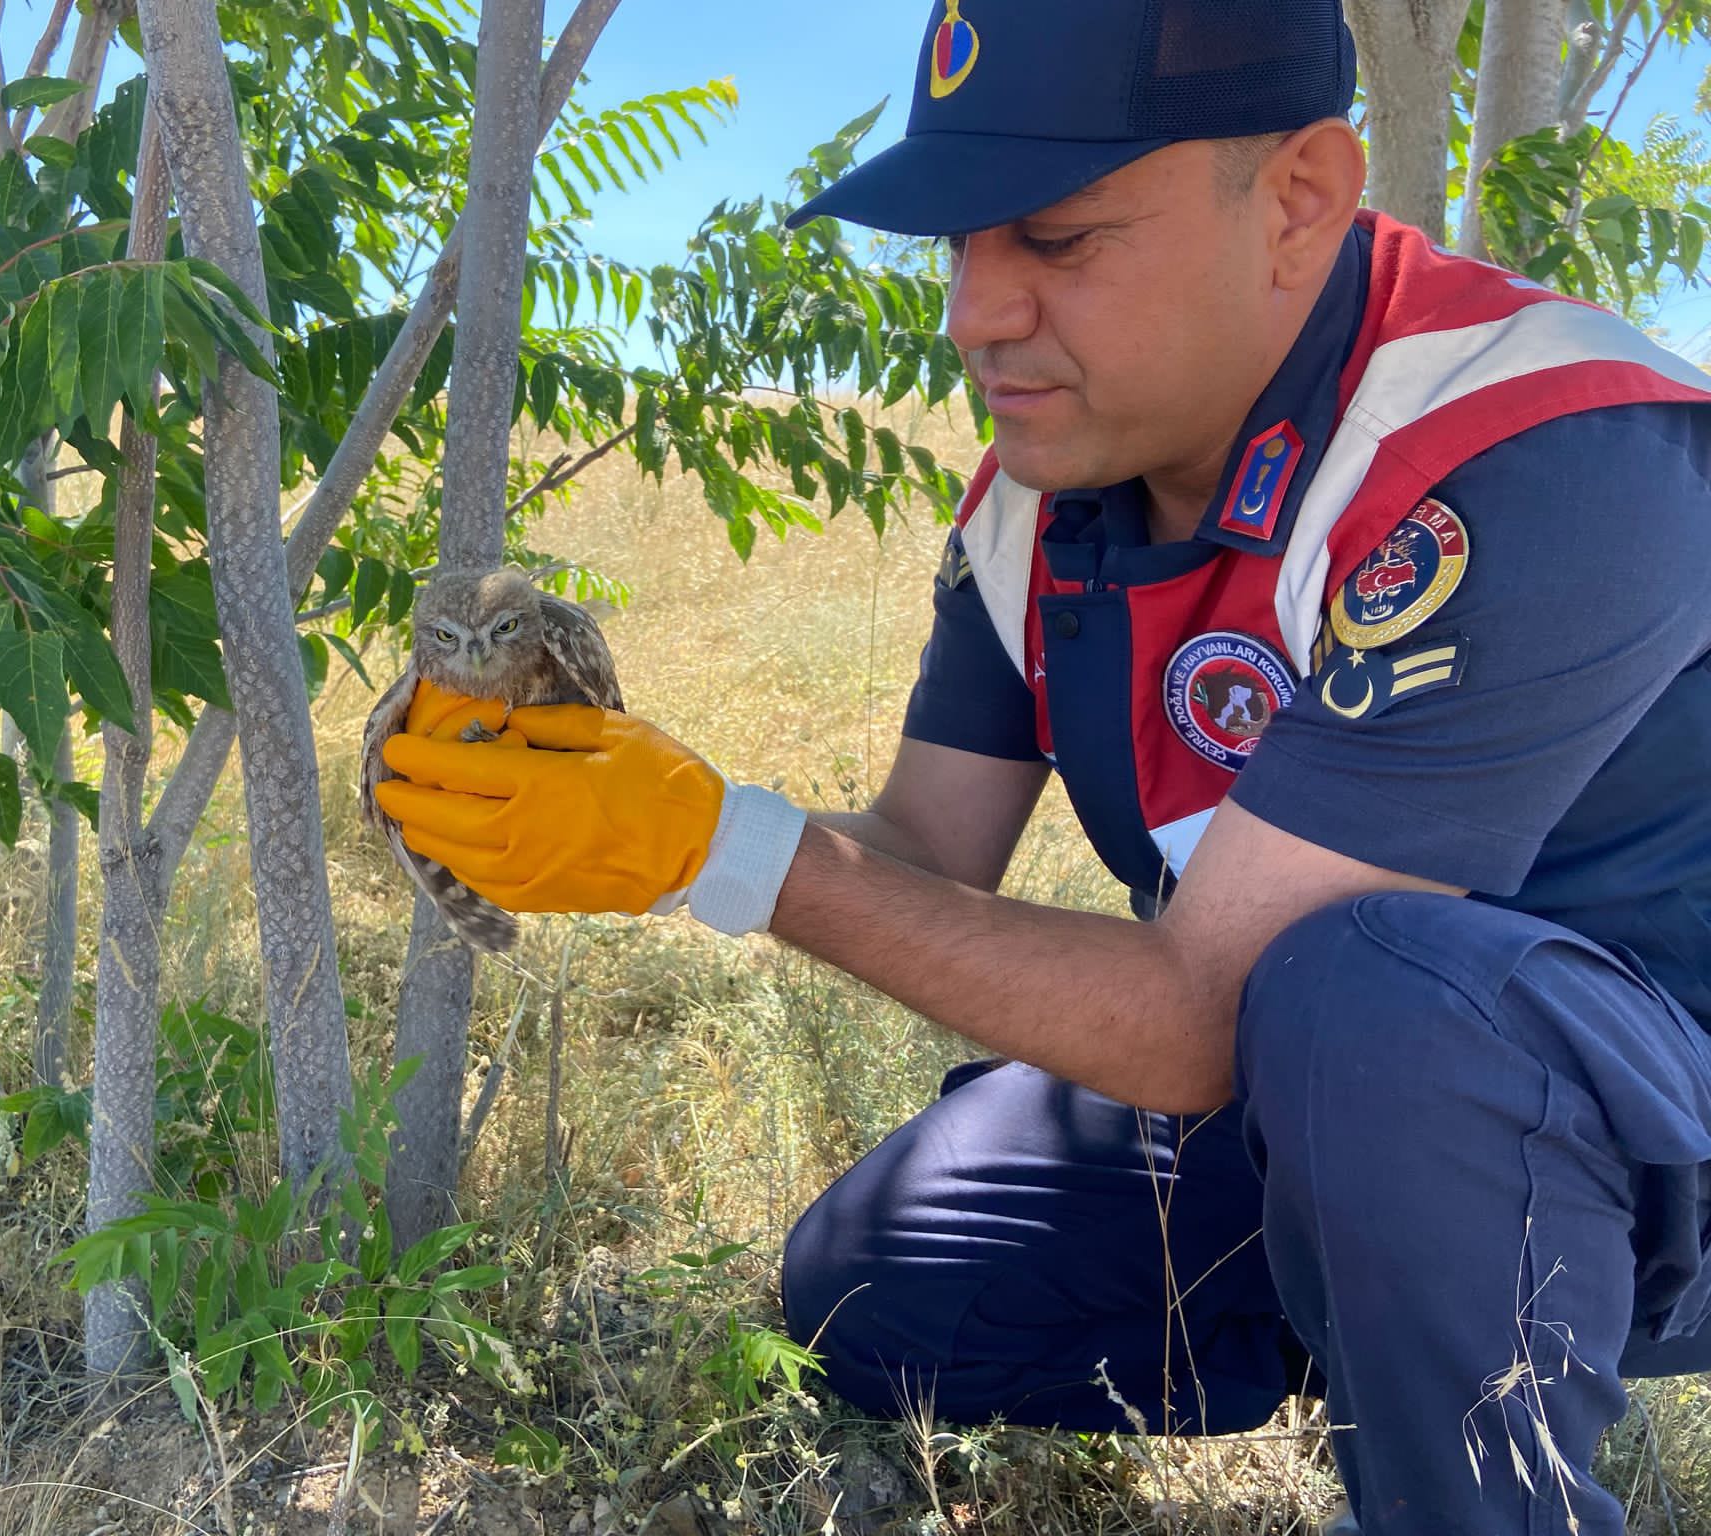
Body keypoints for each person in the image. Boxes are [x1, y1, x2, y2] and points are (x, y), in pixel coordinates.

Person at [371, 3, 1711, 1532]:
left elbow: (1206, 1018)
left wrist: (725, 853)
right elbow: (927, 848)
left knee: (1373, 994)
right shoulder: (1040, 507)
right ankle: (1382, 1315)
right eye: (957, 242)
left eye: (1059, 240)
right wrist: (636, 802)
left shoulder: (1534, 454)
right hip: (1348, 1102)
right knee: (877, 1281)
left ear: (1298, 200)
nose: (973, 312)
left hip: (1659, 1136)